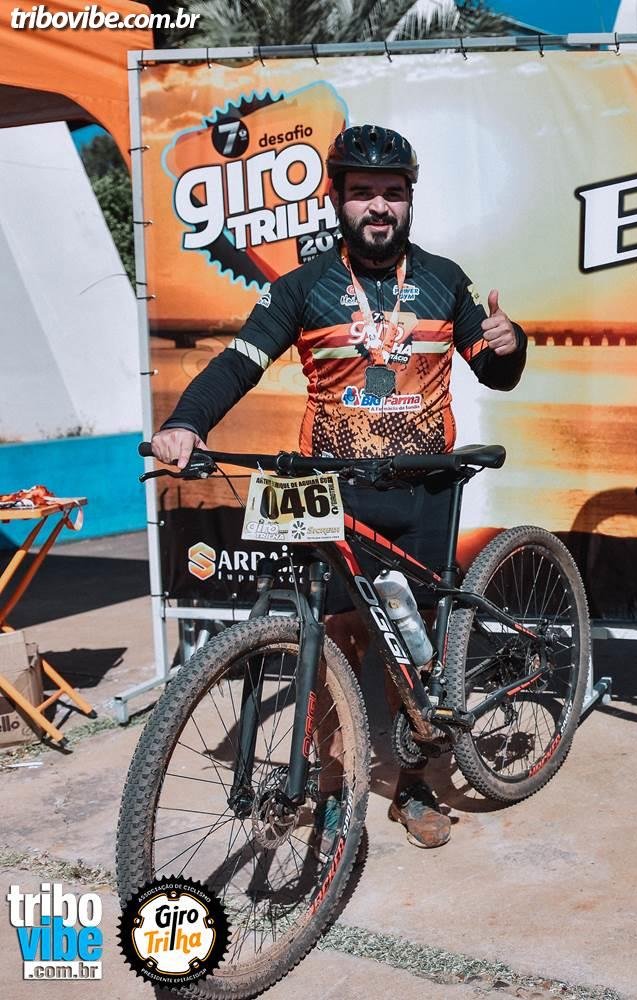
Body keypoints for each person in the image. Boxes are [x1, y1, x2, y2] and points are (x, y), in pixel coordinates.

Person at [150, 124, 526, 849]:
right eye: (363, 192)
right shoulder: (301, 288)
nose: (378, 206)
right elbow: (238, 362)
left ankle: (413, 786)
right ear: (337, 199)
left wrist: (511, 345)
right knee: (334, 642)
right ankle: (329, 784)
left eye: (392, 192)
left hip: (425, 489)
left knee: (418, 645)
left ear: (409, 199)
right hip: (333, 488)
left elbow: (494, 367)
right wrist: (186, 423)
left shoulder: (444, 279)